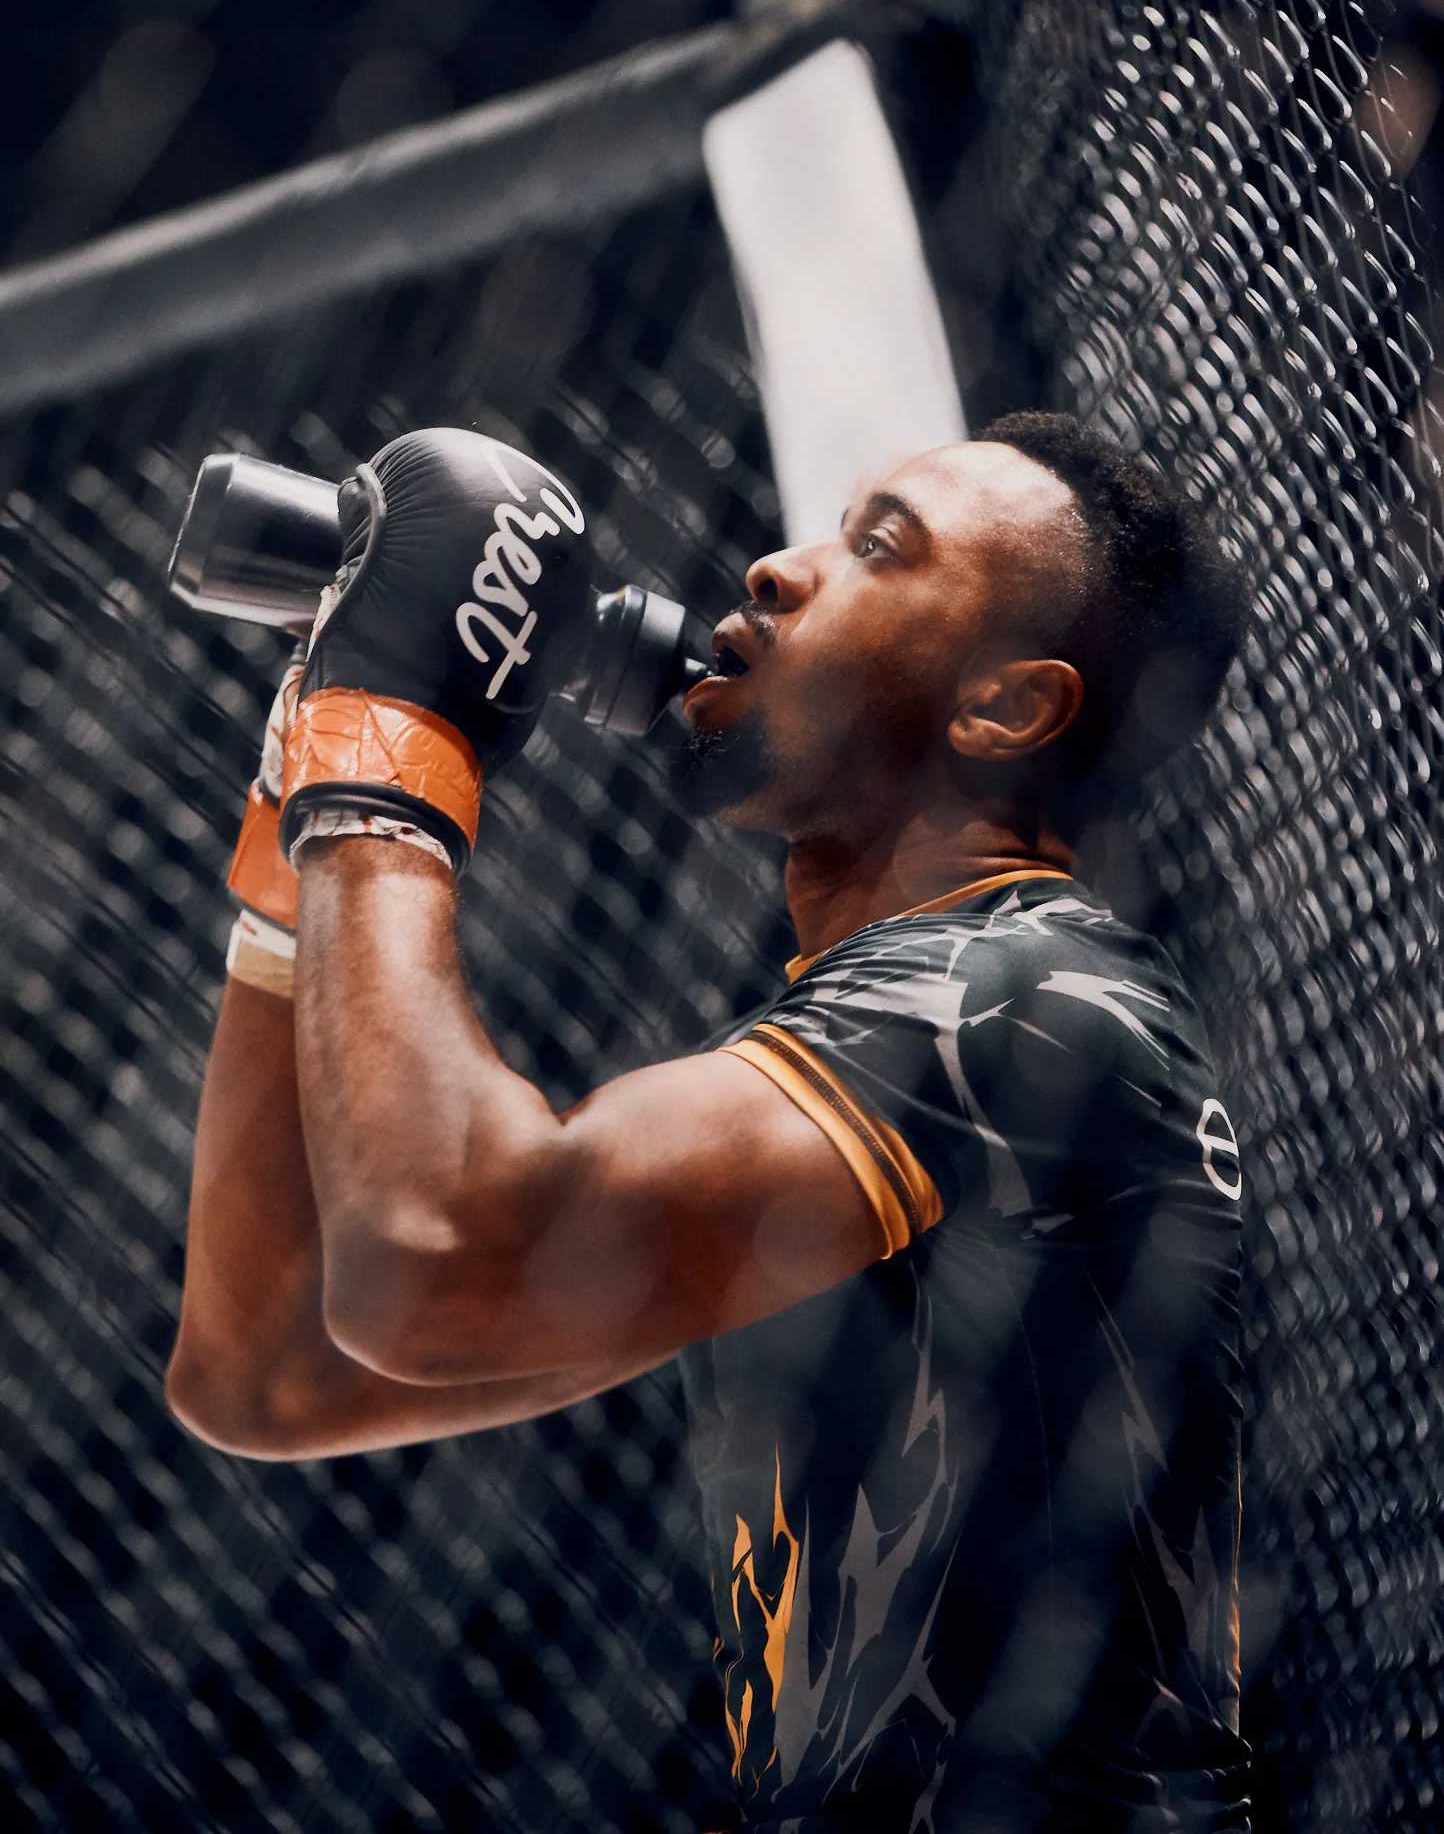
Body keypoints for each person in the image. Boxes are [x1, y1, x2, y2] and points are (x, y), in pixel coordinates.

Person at [167, 412, 1251, 1833]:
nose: (774, 570)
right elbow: (270, 1371)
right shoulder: (888, 1074)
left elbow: (432, 1254)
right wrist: (297, 822)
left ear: (1003, 711)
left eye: (879, 548)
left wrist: (386, 746)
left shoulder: (1021, 995)